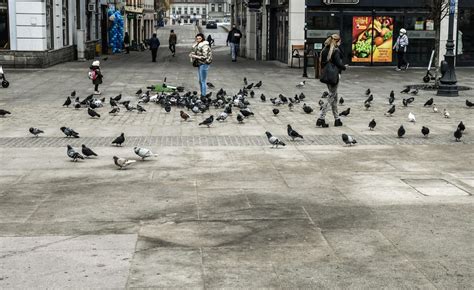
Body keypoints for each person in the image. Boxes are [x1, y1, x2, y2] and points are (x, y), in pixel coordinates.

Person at [317, 34, 346, 128]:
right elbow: (339, 63)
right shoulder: (335, 51)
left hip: (327, 76)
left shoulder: (325, 50)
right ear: (336, 41)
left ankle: (337, 119)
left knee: (334, 98)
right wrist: (344, 67)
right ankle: (321, 118)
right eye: (339, 41)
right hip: (334, 76)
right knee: (331, 98)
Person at [189, 33, 213, 98]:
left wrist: (194, 56)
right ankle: (203, 94)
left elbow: (204, 56)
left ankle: (203, 95)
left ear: (202, 38)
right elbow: (198, 52)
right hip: (200, 63)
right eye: (197, 38)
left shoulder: (205, 45)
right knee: (200, 80)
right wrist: (193, 54)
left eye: (199, 38)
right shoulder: (198, 44)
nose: (198, 39)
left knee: (203, 81)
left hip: (204, 63)